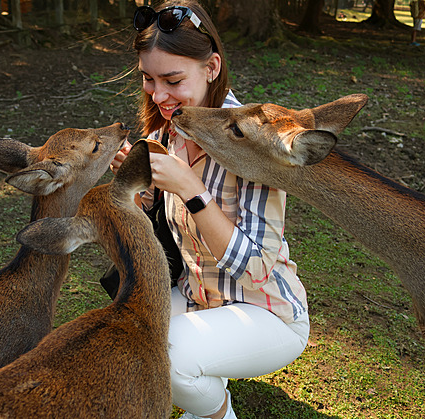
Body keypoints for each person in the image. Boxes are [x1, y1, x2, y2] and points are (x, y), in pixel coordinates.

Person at [110, 1, 310, 418]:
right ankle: (206, 377)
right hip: (198, 296)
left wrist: (191, 188)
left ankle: (218, 414)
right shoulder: (165, 132)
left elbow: (256, 268)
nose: (159, 95)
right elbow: (164, 229)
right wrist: (144, 192)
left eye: (173, 80)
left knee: (169, 356)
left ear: (212, 67)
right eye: (148, 79)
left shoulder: (254, 142)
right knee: (124, 337)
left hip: (266, 310)